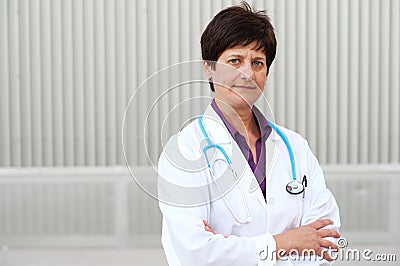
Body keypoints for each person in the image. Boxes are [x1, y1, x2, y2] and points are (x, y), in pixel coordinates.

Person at [158, 2, 340, 265]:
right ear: (209, 68)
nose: (247, 73)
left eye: (257, 62)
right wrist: (285, 242)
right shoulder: (185, 152)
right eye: (234, 61)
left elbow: (327, 241)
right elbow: (195, 253)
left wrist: (232, 249)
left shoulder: (295, 147)